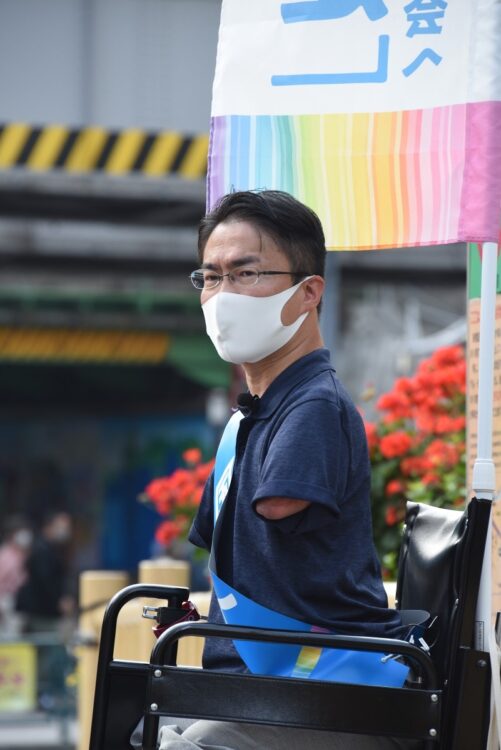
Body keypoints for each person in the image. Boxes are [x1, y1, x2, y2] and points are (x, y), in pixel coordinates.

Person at [156, 190, 421, 749]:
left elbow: (278, 504)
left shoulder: (312, 405)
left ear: (308, 292)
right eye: (210, 276)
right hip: (266, 692)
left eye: (246, 273)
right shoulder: (251, 415)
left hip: (324, 691)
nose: (223, 295)